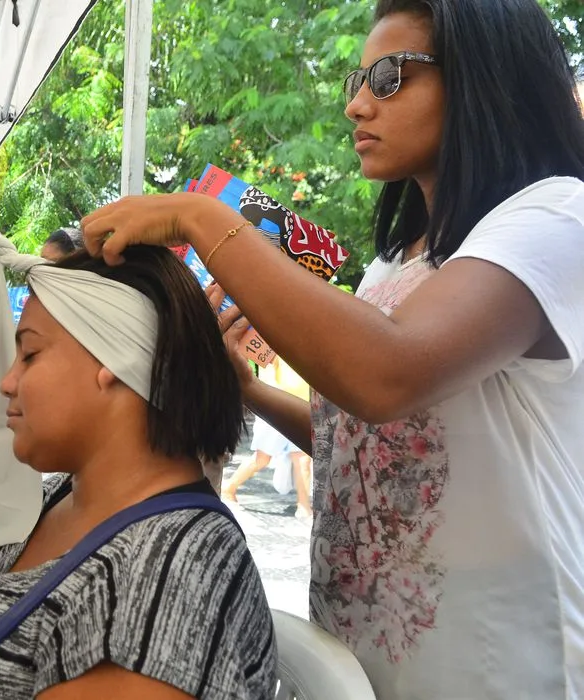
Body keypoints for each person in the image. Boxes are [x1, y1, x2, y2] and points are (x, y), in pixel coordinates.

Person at [79, 1, 584, 696]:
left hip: (497, 663)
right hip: (367, 661)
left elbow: (386, 373)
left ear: (484, 77)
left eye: (387, 76)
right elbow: (366, 449)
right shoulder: (393, 265)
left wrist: (201, 217)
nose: (356, 105)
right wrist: (247, 387)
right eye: (357, 79)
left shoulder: (557, 216)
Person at [0, 246, 275, 699]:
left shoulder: (160, 583)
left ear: (114, 362)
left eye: (31, 354)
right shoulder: (60, 496)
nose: (6, 382)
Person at [222, 358, 313, 519]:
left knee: (302, 460)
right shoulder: (274, 341)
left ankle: (304, 506)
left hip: (300, 405)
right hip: (276, 407)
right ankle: (229, 489)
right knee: (261, 459)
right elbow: (266, 370)